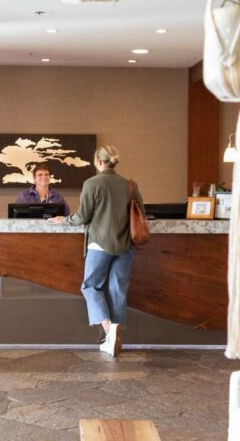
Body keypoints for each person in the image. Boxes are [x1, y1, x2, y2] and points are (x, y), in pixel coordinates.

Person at [50, 145, 143, 356]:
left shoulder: (92, 183)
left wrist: (63, 220)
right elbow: (141, 214)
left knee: (90, 286)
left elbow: (82, 217)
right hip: (125, 245)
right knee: (117, 290)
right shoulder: (130, 185)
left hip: (99, 244)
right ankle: (114, 339)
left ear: (99, 162)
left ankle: (110, 332)